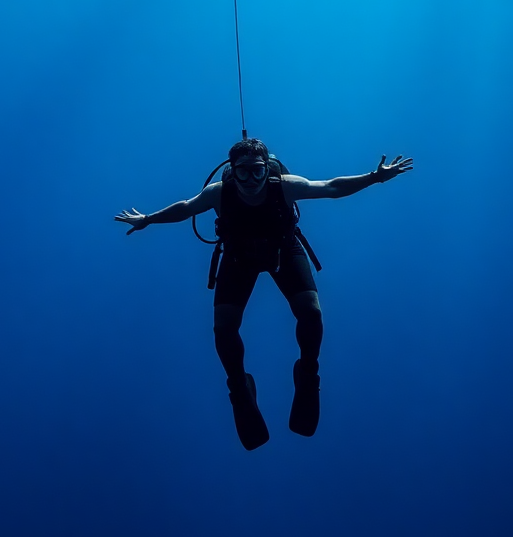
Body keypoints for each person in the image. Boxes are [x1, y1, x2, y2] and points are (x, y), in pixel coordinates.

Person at [115, 138, 413, 450]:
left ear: (265, 170)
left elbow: (330, 187)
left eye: (257, 172)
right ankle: (239, 388)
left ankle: (308, 372)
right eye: (242, 173)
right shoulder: (219, 192)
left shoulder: (283, 186)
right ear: (232, 171)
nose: (251, 181)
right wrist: (147, 219)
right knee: (223, 330)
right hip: (237, 258)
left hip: (283, 250)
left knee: (311, 313)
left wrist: (375, 177)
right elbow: (186, 208)